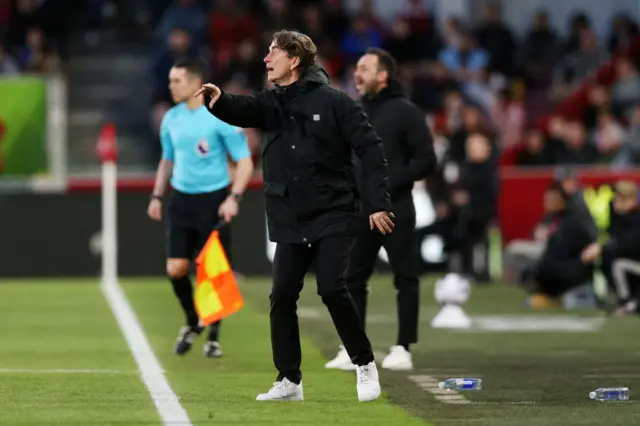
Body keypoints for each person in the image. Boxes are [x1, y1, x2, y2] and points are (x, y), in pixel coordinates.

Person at [196, 30, 394, 402]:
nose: (266, 58)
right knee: (282, 295)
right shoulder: (272, 102)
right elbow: (244, 107)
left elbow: (371, 150)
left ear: (295, 60)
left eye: (273, 52)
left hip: (334, 211)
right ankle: (289, 380)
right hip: (290, 215)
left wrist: (378, 202)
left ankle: (364, 363)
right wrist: (218, 101)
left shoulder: (337, 103)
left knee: (333, 288)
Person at [325, 48, 435, 372]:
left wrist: (384, 185)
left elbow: (426, 160)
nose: (356, 74)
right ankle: (353, 349)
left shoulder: (406, 112)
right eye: (356, 67)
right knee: (351, 279)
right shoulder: (353, 111)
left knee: (405, 277)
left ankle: (403, 347)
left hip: (395, 207)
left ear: (383, 75)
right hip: (359, 210)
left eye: (364, 68)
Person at [147, 59, 254, 358]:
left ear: (196, 83)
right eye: (170, 80)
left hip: (213, 199)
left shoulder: (219, 117)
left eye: (177, 80)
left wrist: (234, 197)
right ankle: (193, 319)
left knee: (212, 270)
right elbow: (167, 160)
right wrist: (157, 195)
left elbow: (244, 161)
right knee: (176, 268)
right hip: (181, 199)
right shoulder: (171, 118)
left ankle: (214, 336)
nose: (171, 86)